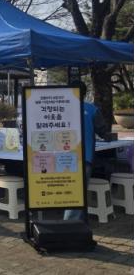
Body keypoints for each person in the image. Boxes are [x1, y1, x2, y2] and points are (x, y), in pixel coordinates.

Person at [64, 81, 107, 221]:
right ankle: (71, 223)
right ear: (84, 93)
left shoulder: (61, 108)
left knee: (70, 190)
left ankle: (77, 221)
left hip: (62, 158)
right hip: (85, 157)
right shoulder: (92, 109)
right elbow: (103, 131)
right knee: (79, 190)